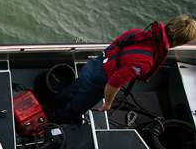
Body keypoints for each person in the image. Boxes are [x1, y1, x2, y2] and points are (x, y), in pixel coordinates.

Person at [52, 15, 196, 124]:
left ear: (170, 24)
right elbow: (113, 83)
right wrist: (108, 103)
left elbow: (113, 47)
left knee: (74, 88)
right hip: (97, 81)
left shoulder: (136, 33)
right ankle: (58, 119)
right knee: (78, 106)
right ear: (179, 42)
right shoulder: (145, 62)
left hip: (92, 66)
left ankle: (57, 101)